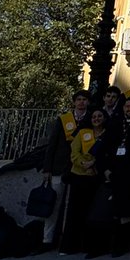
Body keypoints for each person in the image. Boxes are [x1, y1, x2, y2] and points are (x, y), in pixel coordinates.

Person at [41, 89, 90, 248]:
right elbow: (52, 145)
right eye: (79, 99)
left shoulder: (91, 119)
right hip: (59, 167)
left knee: (72, 205)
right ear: (74, 102)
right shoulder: (63, 120)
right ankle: (47, 239)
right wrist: (47, 168)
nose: (81, 102)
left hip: (79, 168)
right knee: (54, 204)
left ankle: (66, 238)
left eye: (84, 99)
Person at [62, 107, 109, 256]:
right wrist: (83, 164)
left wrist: (94, 163)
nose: (96, 118)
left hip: (96, 176)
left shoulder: (107, 135)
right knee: (76, 211)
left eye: (99, 116)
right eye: (94, 116)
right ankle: (71, 245)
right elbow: (74, 152)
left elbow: (108, 153)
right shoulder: (83, 133)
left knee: (94, 212)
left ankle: (90, 246)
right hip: (79, 175)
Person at [104, 95, 130, 256]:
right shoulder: (114, 126)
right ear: (123, 108)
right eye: (127, 107)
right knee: (118, 211)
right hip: (117, 173)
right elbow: (106, 148)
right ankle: (118, 245)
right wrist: (107, 168)